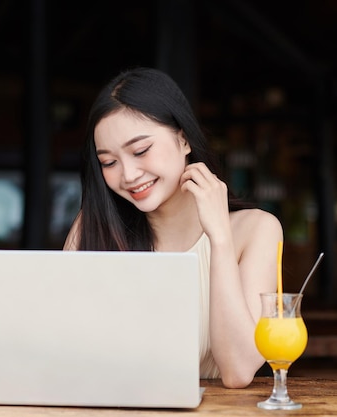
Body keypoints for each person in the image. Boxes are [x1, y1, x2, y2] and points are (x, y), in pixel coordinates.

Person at [63, 67, 283, 389]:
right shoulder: (94, 226)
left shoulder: (257, 230)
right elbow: (62, 351)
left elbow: (237, 371)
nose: (128, 174)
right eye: (108, 162)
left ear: (183, 139)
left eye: (140, 151)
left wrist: (219, 238)